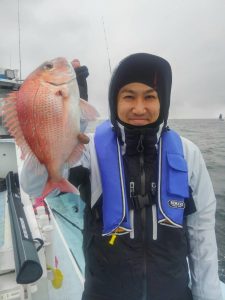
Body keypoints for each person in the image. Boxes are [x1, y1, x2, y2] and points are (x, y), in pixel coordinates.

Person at [20, 53, 223, 300]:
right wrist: (66, 122)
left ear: (164, 102)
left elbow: (202, 236)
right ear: (114, 101)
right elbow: (33, 185)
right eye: (128, 96)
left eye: (150, 96)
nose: (139, 107)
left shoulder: (188, 154)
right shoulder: (89, 149)